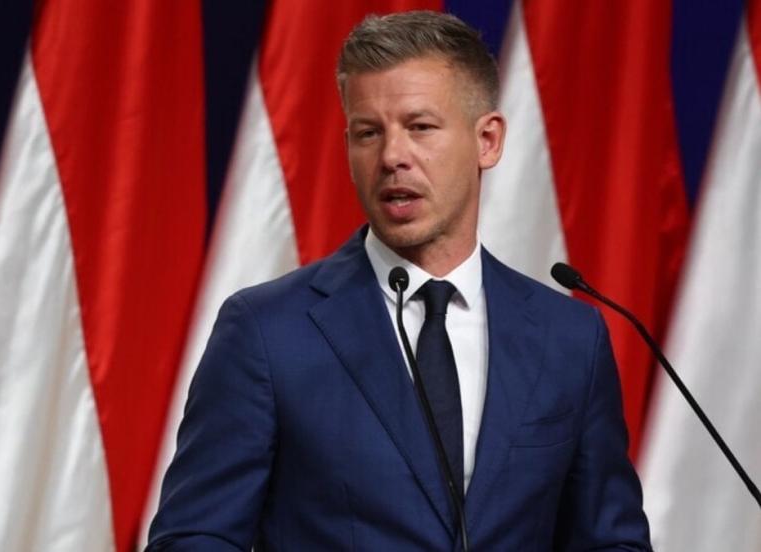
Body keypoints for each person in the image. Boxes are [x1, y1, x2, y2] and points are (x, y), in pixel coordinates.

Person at [147, 10, 652, 551]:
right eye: (369, 133)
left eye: (420, 127)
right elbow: (193, 539)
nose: (391, 157)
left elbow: (611, 542)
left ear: (487, 140)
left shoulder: (570, 339)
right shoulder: (267, 332)